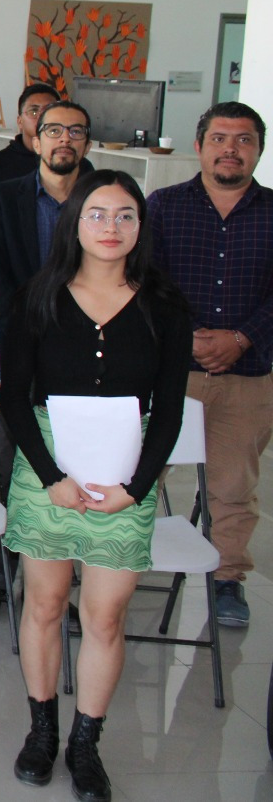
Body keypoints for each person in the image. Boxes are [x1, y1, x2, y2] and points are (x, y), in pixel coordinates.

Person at [1, 170, 190, 802]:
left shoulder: (165, 304)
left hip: (125, 479)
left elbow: (167, 410)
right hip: (49, 473)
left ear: (141, 226)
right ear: (73, 222)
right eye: (98, 214)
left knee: (104, 616)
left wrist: (138, 488)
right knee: (45, 605)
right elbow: (15, 400)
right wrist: (51, 477)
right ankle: (42, 730)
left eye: (126, 216)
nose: (112, 228)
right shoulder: (38, 296)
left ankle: (88, 743)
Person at [147, 101, 273, 629]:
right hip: (172, 372)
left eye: (243, 140)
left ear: (258, 151)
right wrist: (188, 337)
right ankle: (120, 559)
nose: (231, 149)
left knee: (233, 488)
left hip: (249, 376)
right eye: (220, 138)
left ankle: (227, 580)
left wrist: (243, 338)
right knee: (142, 472)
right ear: (199, 146)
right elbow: (145, 282)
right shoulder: (162, 206)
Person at [0, 100, 95, 616]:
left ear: (87, 142)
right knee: (9, 462)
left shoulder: (103, 196)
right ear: (35, 138)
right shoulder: (4, 198)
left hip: (87, 359)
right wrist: (32, 334)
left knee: (76, 469)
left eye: (75, 131)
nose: (64, 139)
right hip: (19, 353)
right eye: (53, 130)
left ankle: (60, 582)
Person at [0, 84, 60, 238]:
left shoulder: (75, 166)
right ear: (19, 121)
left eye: (48, 110)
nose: (41, 117)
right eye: (33, 111)